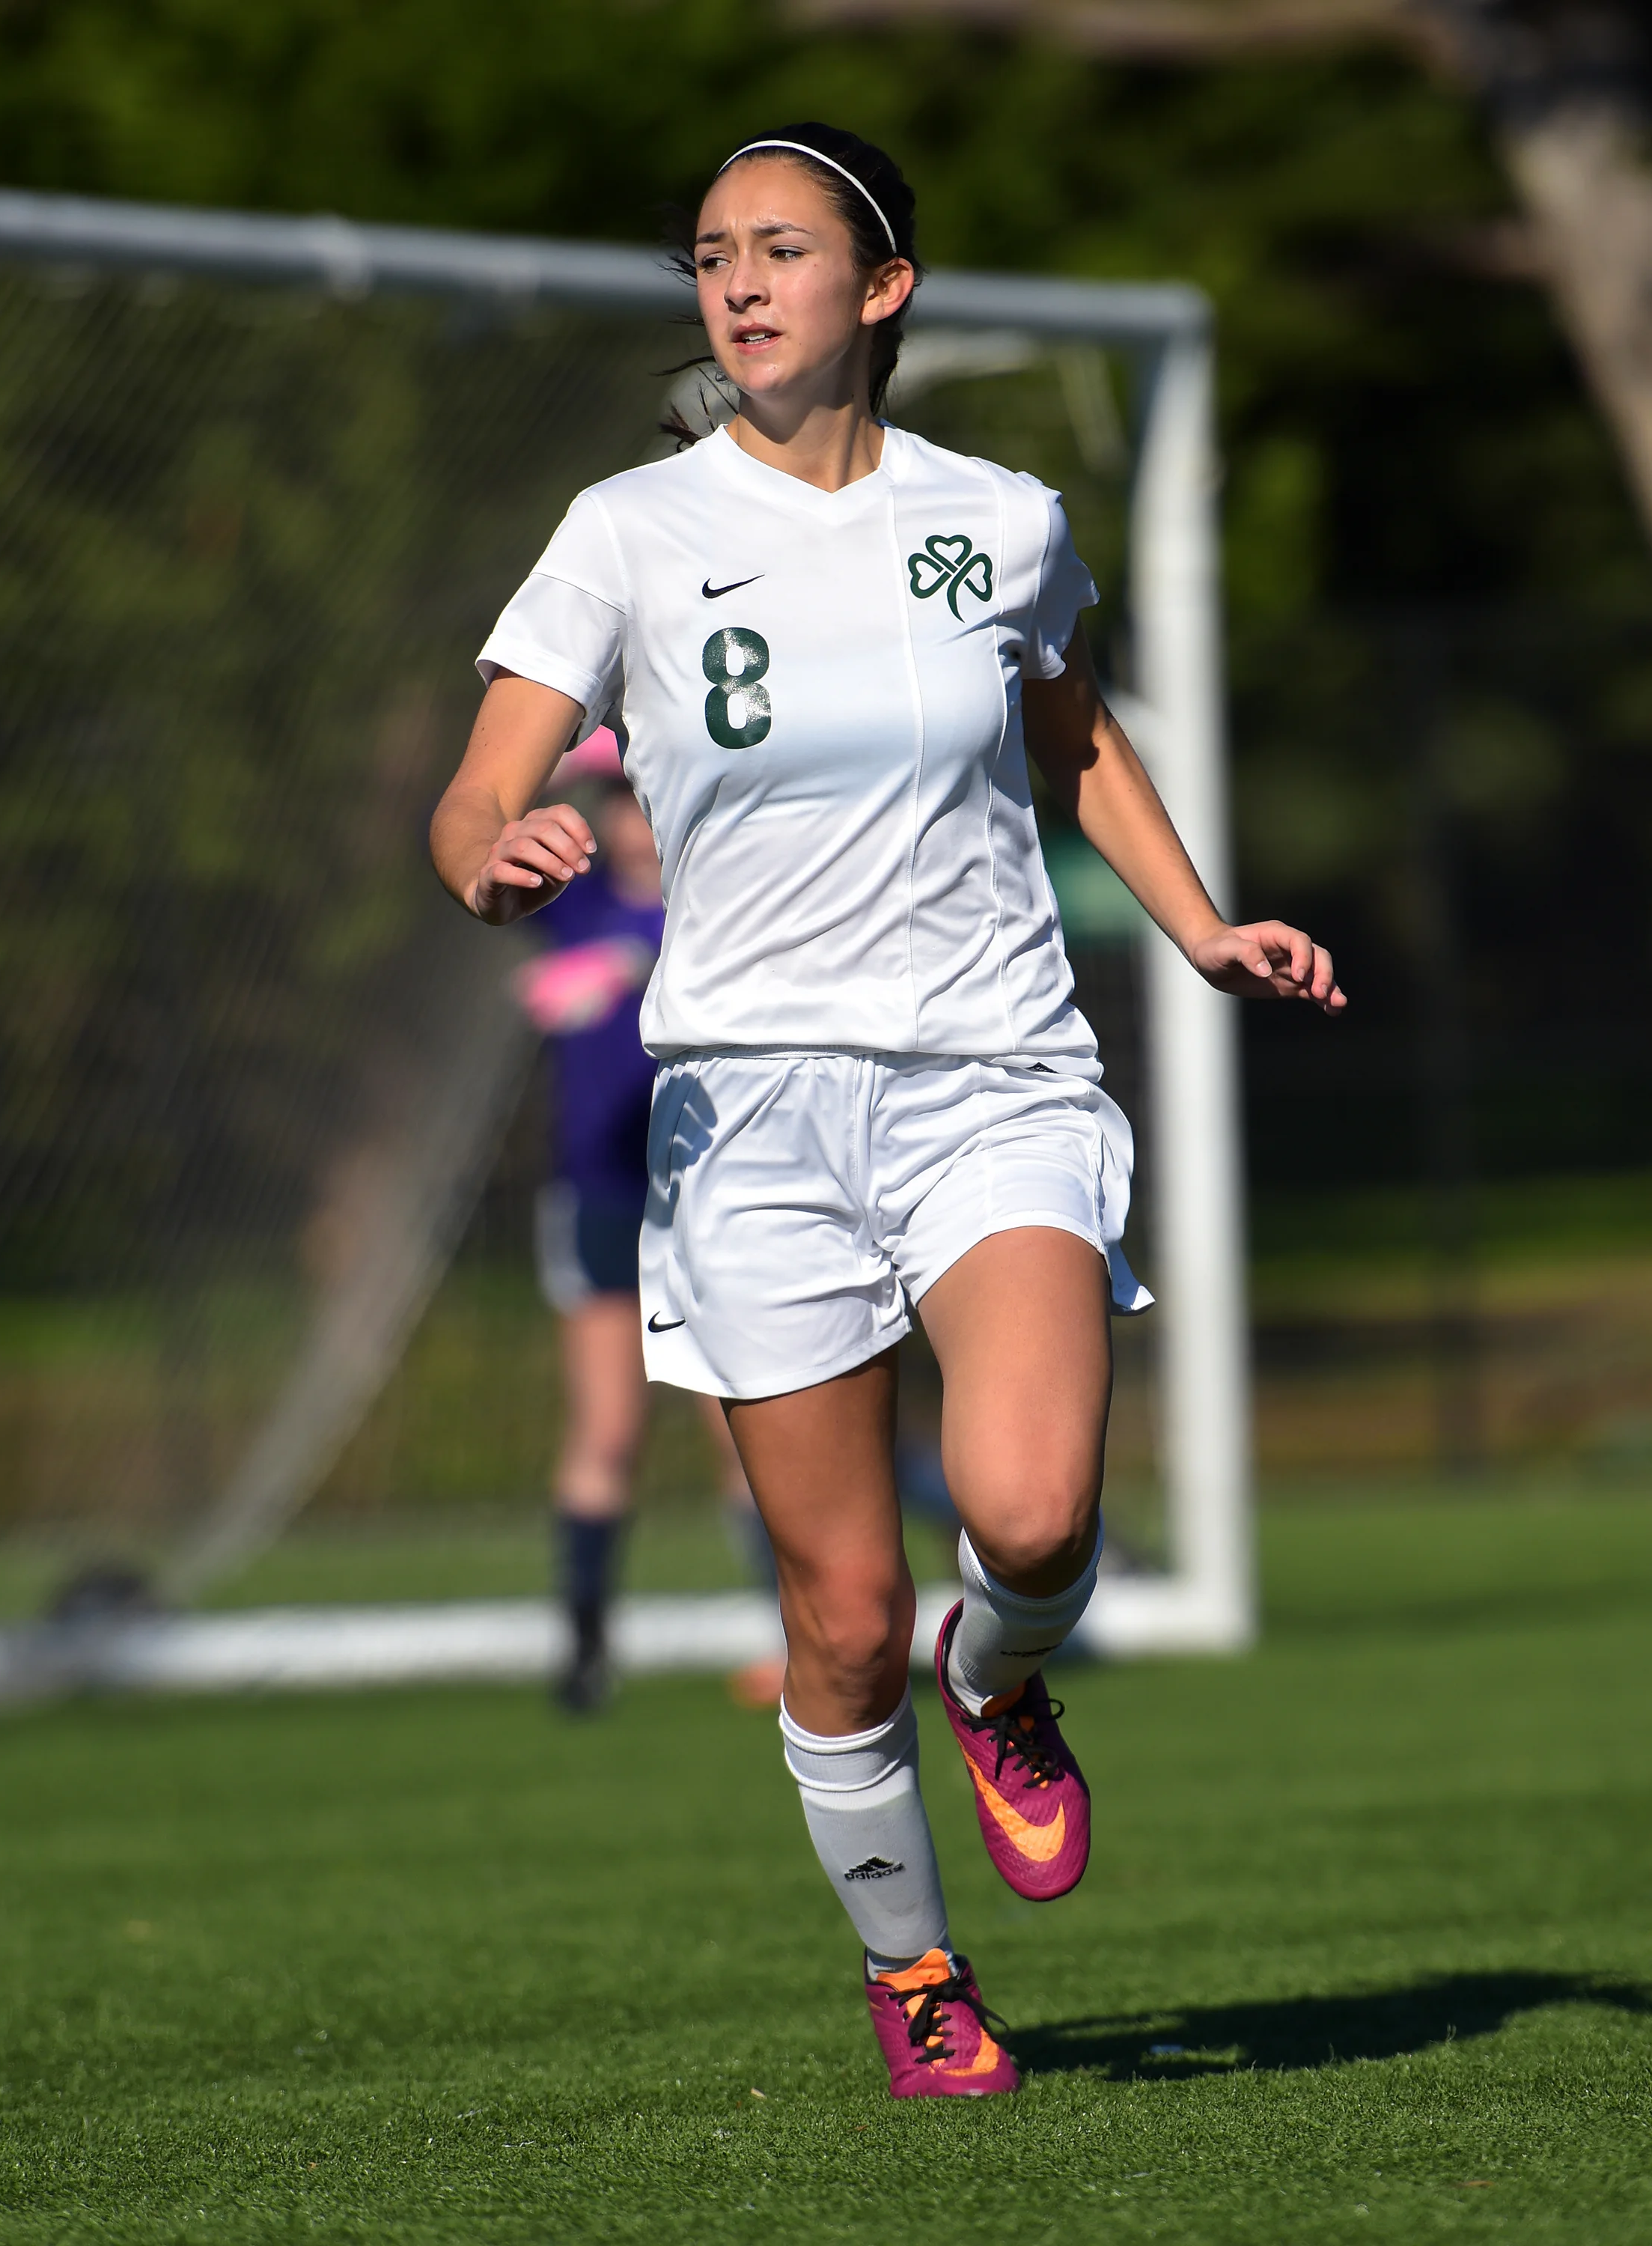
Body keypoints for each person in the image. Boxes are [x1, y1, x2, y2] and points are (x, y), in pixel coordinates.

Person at [430, 121, 1344, 2099]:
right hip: (746, 1117)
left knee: (1030, 1515)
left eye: (782, 248)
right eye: (711, 256)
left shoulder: (1000, 520)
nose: (740, 284)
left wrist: (1198, 925)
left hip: (991, 1071)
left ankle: (998, 1678)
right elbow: (477, 784)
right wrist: (490, 852)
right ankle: (914, 1970)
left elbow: (1073, 734)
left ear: (884, 287)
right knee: (839, 1613)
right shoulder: (628, 530)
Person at [514, 728, 775, 1712]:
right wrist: (558, 751)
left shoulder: (718, 907)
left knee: (744, 1428)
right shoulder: (574, 903)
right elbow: (458, 828)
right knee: (606, 1432)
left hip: (710, 1201)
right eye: (621, 798)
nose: (637, 821)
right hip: (600, 1196)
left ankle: (804, 1640)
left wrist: (631, 966)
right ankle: (584, 1651)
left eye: (648, 795)